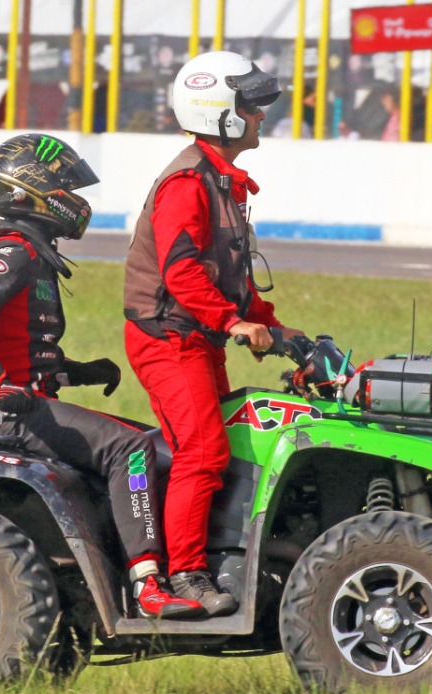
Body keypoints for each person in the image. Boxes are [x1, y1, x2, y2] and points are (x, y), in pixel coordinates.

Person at [0, 133, 204, 619]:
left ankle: (139, 560)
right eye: (65, 185)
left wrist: (80, 371)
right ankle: (148, 584)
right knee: (132, 449)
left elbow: (27, 349)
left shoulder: (35, 255)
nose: (75, 199)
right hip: (2, 412)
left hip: (28, 405)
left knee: (157, 443)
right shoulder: (12, 252)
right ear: (29, 189)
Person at [123, 50, 304, 617]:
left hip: (198, 337)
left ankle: (222, 557)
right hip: (168, 338)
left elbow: (233, 281)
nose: (261, 115)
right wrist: (233, 323)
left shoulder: (221, 182)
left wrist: (275, 328)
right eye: (251, 106)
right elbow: (181, 273)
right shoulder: (187, 182)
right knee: (202, 451)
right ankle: (184, 577)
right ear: (221, 113)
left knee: (229, 445)